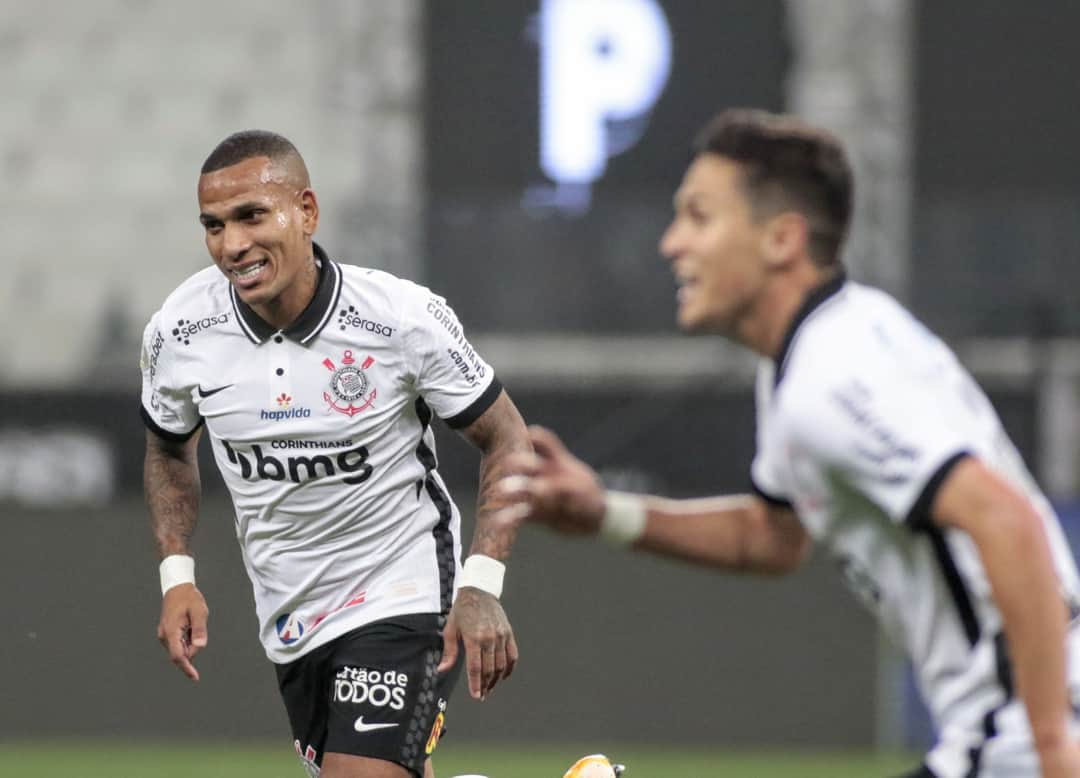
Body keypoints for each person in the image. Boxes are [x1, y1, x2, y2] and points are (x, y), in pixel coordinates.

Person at [497, 109, 1080, 778]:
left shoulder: (831, 373)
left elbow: (1006, 519)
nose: (671, 243)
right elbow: (772, 536)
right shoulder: (817, 352)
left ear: (781, 239)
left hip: (1017, 731)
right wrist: (608, 511)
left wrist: (1051, 746)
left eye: (699, 216)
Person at [139, 130, 531, 778]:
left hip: (402, 588)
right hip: (291, 613)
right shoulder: (180, 331)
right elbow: (167, 449)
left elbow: (508, 439)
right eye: (213, 225)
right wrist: (176, 575)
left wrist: (481, 583)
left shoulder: (401, 320)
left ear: (307, 212)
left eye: (251, 216)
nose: (232, 244)